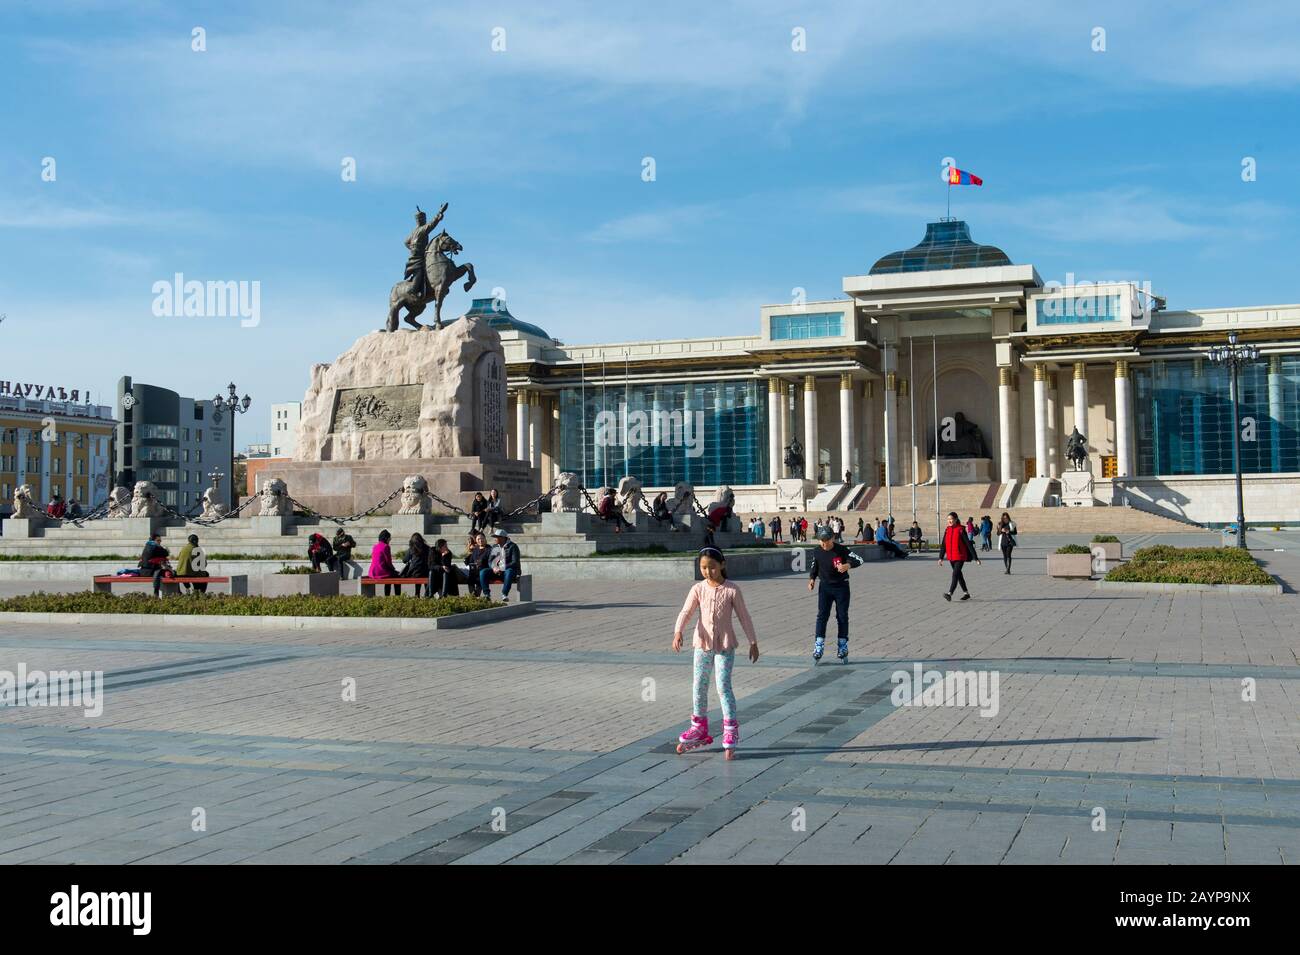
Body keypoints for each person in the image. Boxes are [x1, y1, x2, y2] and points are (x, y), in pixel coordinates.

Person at [672, 547, 760, 759]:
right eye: (703, 567)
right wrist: (678, 631)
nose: (708, 571)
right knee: (699, 685)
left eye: (712, 567)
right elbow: (687, 611)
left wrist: (753, 642)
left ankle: (730, 729)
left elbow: (744, 617)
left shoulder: (732, 590)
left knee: (723, 686)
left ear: (722, 565)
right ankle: (699, 727)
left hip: (725, 645)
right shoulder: (698, 589)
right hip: (702, 644)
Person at [808, 527, 861, 663]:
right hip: (825, 587)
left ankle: (842, 645)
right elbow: (815, 566)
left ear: (832, 538)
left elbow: (859, 560)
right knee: (822, 616)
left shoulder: (841, 550)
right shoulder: (817, 551)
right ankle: (819, 644)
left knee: (842, 616)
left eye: (826, 540)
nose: (824, 544)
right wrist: (812, 579)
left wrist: (847, 565)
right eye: (821, 541)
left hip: (841, 587)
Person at [938, 511, 981, 601]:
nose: (949, 521)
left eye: (951, 519)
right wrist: (941, 557)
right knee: (959, 575)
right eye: (948, 519)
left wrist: (976, 558)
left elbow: (968, 544)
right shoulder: (947, 530)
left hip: (960, 556)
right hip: (951, 556)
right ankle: (966, 593)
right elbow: (944, 545)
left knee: (955, 574)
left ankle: (950, 593)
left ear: (956, 519)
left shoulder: (960, 530)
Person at [482, 529, 522, 602]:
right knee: (483, 572)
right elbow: (490, 561)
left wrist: (502, 568)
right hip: (497, 570)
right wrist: (494, 567)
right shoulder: (495, 547)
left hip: (509, 570)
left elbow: (514, 562)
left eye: (496, 537)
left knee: (509, 571)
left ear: (502, 538)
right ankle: (487, 594)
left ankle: (504, 594)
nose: (495, 539)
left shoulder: (513, 546)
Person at [138, 532, 170, 597]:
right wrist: (161, 547)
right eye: (158, 540)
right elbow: (166, 553)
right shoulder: (154, 547)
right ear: (153, 540)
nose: (160, 542)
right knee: (170, 574)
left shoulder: (147, 546)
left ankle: (158, 592)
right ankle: (157, 592)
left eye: (160, 540)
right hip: (151, 572)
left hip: (143, 572)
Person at [367, 529, 399, 595]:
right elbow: (388, 562)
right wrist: (394, 569)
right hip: (381, 572)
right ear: (386, 538)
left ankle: (387, 596)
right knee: (397, 577)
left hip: (373, 572)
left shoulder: (375, 546)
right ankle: (397, 597)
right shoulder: (386, 547)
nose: (390, 539)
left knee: (390, 576)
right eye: (389, 538)